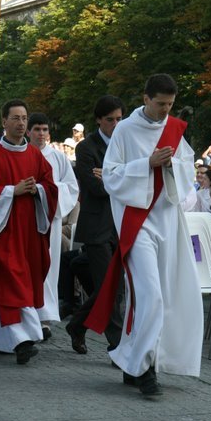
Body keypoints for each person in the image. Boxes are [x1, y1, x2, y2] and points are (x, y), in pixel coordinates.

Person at [86, 74, 203, 397]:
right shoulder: (124, 130)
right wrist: (147, 163)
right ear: (146, 98)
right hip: (136, 225)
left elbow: (188, 173)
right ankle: (146, 370)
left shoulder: (176, 129)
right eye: (160, 104)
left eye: (170, 105)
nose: (166, 111)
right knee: (150, 295)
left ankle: (132, 361)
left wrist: (170, 168)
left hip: (167, 220)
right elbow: (111, 177)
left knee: (169, 294)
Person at [0, 99, 58, 364]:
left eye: (24, 118)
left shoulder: (35, 156)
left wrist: (38, 190)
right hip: (3, 234)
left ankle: (0, 340)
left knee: (15, 284)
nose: (21, 123)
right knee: (12, 283)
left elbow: (50, 186)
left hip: (29, 232)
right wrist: (11, 191)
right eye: (15, 118)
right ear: (4, 122)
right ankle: (24, 341)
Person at [65, 95, 125, 356]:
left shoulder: (126, 144)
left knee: (115, 287)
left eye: (119, 119)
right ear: (99, 120)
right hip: (97, 225)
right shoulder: (86, 147)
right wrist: (121, 177)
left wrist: (111, 175)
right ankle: (117, 345)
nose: (115, 124)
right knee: (109, 287)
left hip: (122, 225)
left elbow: (135, 181)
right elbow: (95, 188)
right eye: (110, 119)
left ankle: (77, 325)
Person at [27, 112, 79, 339]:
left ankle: (44, 317)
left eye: (44, 129)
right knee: (27, 268)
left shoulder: (58, 158)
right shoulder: (22, 154)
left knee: (49, 267)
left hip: (50, 220)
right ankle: (26, 315)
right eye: (36, 129)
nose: (41, 134)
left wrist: (45, 190)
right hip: (25, 221)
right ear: (28, 131)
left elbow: (71, 188)